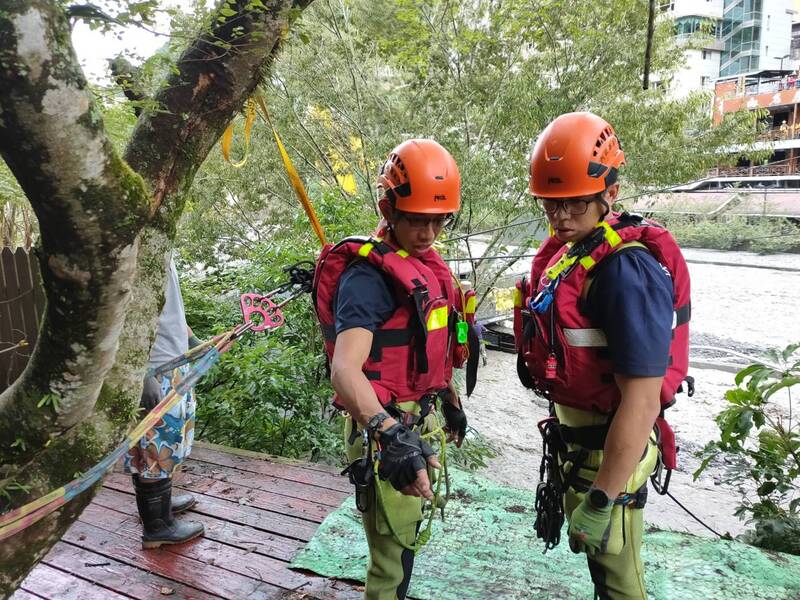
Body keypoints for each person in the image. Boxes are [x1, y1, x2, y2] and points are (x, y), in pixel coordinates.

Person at [514, 112, 690, 599]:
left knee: (619, 580)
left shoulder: (626, 272)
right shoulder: (574, 252)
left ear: (610, 193)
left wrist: (603, 496)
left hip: (611, 453)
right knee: (602, 572)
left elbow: (643, 400)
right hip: (581, 446)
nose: (561, 217)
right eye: (551, 204)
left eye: (575, 203)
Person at [313, 139, 471, 600]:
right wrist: (389, 433)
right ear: (389, 209)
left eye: (438, 220)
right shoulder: (368, 279)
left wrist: (450, 401)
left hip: (416, 420)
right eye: (417, 219)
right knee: (390, 560)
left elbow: (429, 351)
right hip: (383, 427)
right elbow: (345, 369)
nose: (428, 232)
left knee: (403, 546)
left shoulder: (425, 266)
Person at [124, 255, 205, 549]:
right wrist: (141, 372)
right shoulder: (132, 249)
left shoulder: (160, 244)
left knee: (166, 444)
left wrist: (192, 341)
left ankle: (160, 506)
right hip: (156, 367)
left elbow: (168, 306)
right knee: (153, 449)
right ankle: (157, 527)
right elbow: (122, 313)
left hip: (173, 360)